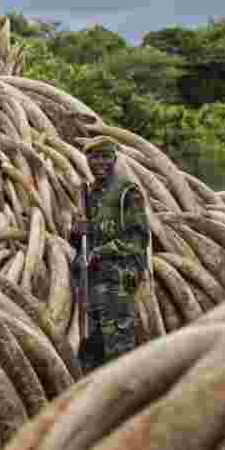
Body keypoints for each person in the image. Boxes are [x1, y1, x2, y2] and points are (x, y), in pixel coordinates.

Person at [68, 136, 151, 373]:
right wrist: (75, 232)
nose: (100, 162)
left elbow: (138, 239)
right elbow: (83, 240)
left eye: (105, 157)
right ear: (88, 160)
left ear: (114, 159)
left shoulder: (127, 192)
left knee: (118, 347)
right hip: (91, 281)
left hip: (118, 281)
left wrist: (101, 252)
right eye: (95, 157)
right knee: (91, 346)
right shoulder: (89, 193)